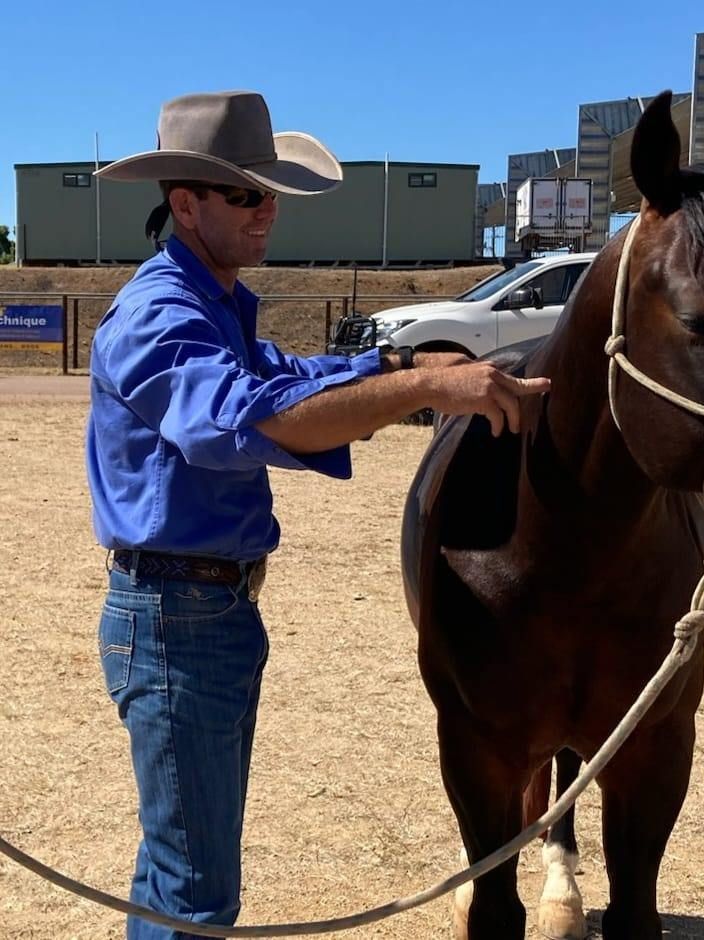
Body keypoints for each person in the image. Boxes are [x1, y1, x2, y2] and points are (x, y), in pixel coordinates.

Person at [87, 90, 549, 939]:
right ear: (184, 203)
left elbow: (280, 373)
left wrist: (396, 357)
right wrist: (425, 386)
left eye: (268, 194)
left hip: (200, 606)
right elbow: (251, 418)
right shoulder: (161, 312)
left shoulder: (211, 303)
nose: (267, 211)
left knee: (180, 863)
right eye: (245, 194)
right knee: (193, 887)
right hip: (176, 613)